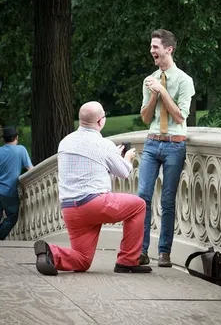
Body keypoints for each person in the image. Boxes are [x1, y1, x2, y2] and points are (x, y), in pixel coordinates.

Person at [34, 101, 152, 275]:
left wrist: (112, 156)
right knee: (138, 205)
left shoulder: (65, 142)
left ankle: (52, 253)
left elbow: (91, 165)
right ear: (99, 121)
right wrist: (126, 157)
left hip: (70, 209)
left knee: (82, 260)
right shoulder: (103, 144)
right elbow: (124, 173)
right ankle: (127, 261)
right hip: (94, 204)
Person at [138, 29, 195, 267]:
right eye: (151, 47)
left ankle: (164, 253)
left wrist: (163, 91)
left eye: (156, 47)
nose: (152, 51)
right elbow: (145, 117)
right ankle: (140, 251)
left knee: (169, 200)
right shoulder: (149, 80)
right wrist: (153, 95)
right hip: (151, 144)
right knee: (142, 197)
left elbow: (180, 117)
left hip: (174, 146)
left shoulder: (184, 80)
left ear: (169, 49)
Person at [0, 125, 33, 240]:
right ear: (16, 137)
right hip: (10, 191)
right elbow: (30, 169)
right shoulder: (21, 150)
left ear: (4, 139)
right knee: (12, 216)